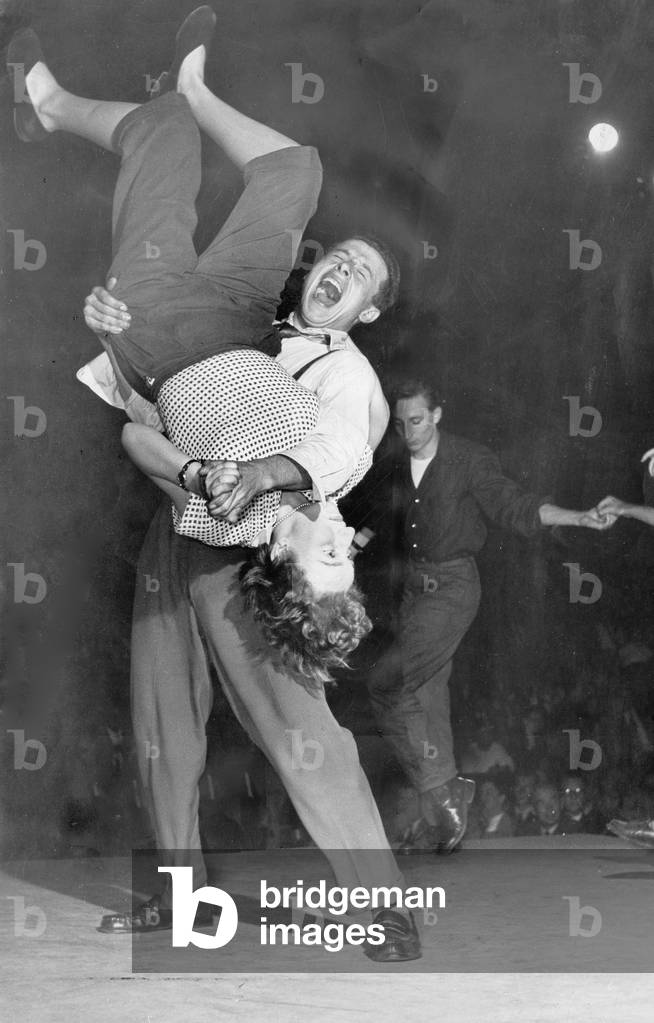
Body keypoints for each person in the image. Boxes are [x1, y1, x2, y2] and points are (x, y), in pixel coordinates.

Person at [11, 10, 421, 961]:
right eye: (339, 259)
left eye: (359, 276)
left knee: (298, 726)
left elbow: (337, 459)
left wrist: (257, 477)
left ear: (367, 311)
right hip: (188, 472)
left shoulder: (348, 375)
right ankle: (171, 897)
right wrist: (109, 326)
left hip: (252, 543)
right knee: (162, 724)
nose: (340, 271)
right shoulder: (267, 308)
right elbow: (141, 421)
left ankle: (381, 901)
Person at [8, 11, 397, 685]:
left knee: (160, 135)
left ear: (282, 554)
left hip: (158, 334)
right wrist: (264, 473)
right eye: (349, 558)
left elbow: (138, 440)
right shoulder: (337, 467)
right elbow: (336, 449)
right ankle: (195, 87)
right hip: (242, 316)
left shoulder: (224, 523)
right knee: (294, 172)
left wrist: (196, 475)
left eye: (327, 559)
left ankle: (47, 103)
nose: (343, 543)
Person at [357, 376, 615, 855]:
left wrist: (577, 517)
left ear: (437, 415)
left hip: (454, 588)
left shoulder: (468, 459)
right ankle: (447, 806)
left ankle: (443, 791)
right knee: (428, 696)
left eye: (417, 421)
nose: (408, 432)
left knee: (387, 686)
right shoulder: (397, 462)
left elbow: (513, 505)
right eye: (400, 423)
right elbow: (378, 515)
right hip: (414, 589)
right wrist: (350, 545)